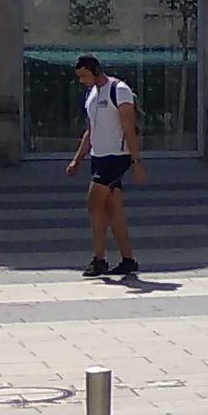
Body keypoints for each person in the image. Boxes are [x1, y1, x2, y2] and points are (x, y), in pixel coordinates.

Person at [65, 55, 141, 279]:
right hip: (98, 156)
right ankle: (128, 260)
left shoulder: (120, 90)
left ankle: (99, 259)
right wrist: (77, 159)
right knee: (112, 207)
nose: (81, 81)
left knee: (93, 201)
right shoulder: (91, 94)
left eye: (84, 76)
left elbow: (129, 128)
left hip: (116, 156)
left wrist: (136, 162)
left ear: (95, 71)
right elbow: (90, 130)